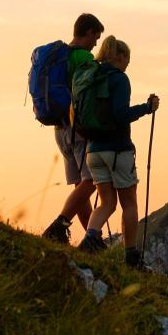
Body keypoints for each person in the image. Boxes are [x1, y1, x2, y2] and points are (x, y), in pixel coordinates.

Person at [77, 35, 159, 267]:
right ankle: (131, 257)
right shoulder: (119, 79)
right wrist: (147, 108)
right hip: (117, 150)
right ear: (119, 57)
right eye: (127, 59)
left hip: (93, 151)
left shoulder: (90, 76)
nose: (128, 63)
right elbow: (120, 115)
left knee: (106, 204)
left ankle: (90, 240)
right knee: (129, 204)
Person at [42, 13, 105, 243]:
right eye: (96, 38)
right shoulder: (82, 58)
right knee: (92, 181)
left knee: (81, 184)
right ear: (88, 33)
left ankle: (92, 240)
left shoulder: (62, 56)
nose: (96, 43)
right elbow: (97, 90)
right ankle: (59, 226)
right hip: (77, 128)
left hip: (59, 129)